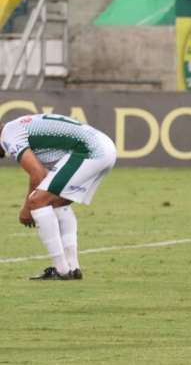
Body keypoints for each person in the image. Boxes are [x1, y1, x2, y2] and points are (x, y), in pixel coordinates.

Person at [1, 113, 117, 280]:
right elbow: (42, 174)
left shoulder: (8, 136)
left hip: (91, 150)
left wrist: (27, 208)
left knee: (36, 201)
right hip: (104, 146)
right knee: (56, 202)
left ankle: (62, 270)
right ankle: (73, 267)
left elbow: (37, 174)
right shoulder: (16, 127)